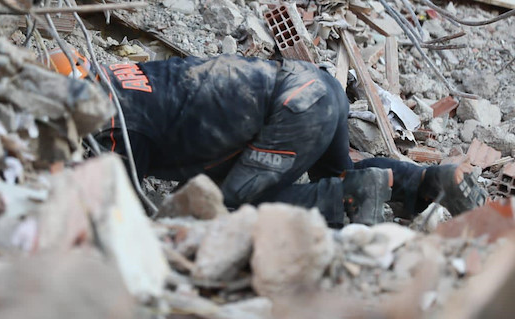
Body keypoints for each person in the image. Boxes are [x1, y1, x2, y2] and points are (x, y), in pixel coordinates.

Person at [90, 54, 486, 227]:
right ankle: (430, 180)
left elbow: (113, 206)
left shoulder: (111, 125)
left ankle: (350, 195)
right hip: (317, 86)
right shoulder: (121, 74)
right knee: (337, 171)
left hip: (293, 109)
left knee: (228, 209)